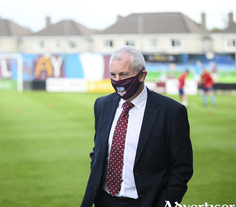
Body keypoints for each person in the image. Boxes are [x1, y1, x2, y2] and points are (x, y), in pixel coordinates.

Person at [80, 46, 193, 207]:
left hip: (147, 202)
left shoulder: (172, 111)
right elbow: (98, 152)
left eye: (124, 74)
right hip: (104, 201)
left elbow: (182, 167)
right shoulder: (102, 104)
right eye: (113, 75)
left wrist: (165, 203)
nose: (117, 80)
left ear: (142, 75)